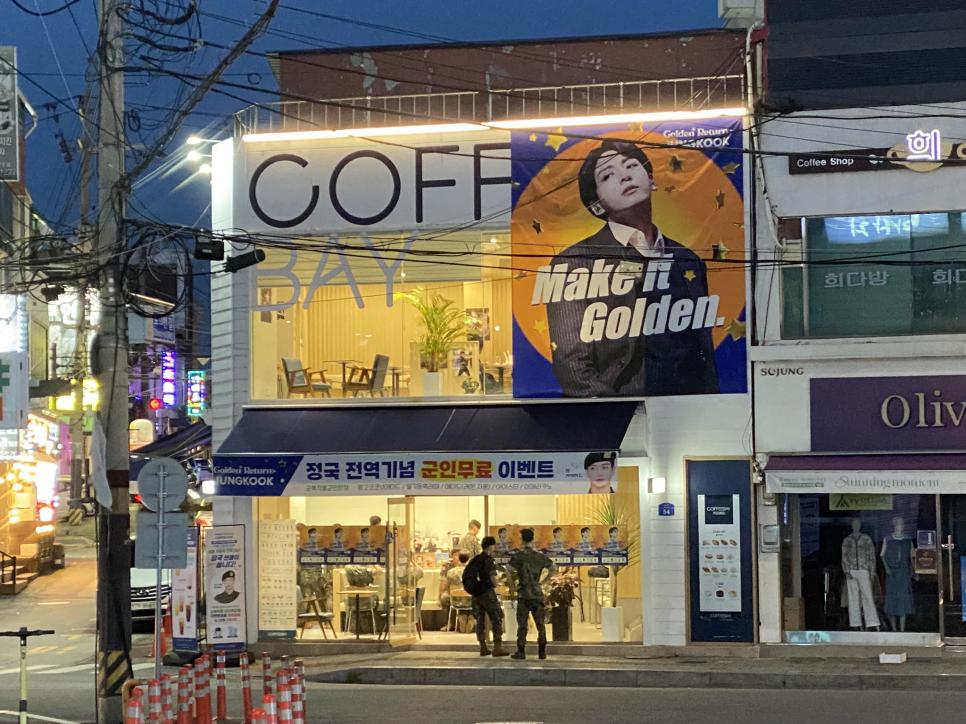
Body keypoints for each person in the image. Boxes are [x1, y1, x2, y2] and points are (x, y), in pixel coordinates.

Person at [544, 140, 719, 397]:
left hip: (684, 410)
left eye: (631, 166)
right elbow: (572, 364)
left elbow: (703, 353)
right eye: (608, 176)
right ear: (597, 205)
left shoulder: (687, 260)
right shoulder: (574, 263)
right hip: (615, 409)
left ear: (652, 180)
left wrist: (708, 406)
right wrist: (614, 412)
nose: (625, 176)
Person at [508, 528, 556, 660]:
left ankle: (521, 651)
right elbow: (553, 568)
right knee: (540, 624)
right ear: (532, 539)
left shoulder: (518, 556)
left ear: (522, 540)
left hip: (523, 594)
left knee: (522, 625)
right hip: (537, 593)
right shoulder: (540, 556)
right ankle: (542, 651)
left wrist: (512, 586)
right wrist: (543, 581)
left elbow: (508, 570)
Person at [464, 537, 510, 657]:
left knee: (480, 620)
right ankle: (497, 647)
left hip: (476, 594)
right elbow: (493, 580)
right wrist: (498, 582)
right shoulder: (489, 560)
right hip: (487, 593)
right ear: (490, 546)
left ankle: (483, 647)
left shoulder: (475, 559)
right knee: (497, 617)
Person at [438, 549, 467, 630]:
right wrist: (439, 597)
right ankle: (451, 622)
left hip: (467, 594)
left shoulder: (469, 566)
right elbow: (443, 584)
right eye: (456, 555)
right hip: (453, 593)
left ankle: (467, 621)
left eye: (460, 555)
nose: (458, 558)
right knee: (444, 598)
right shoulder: (447, 567)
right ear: (452, 557)